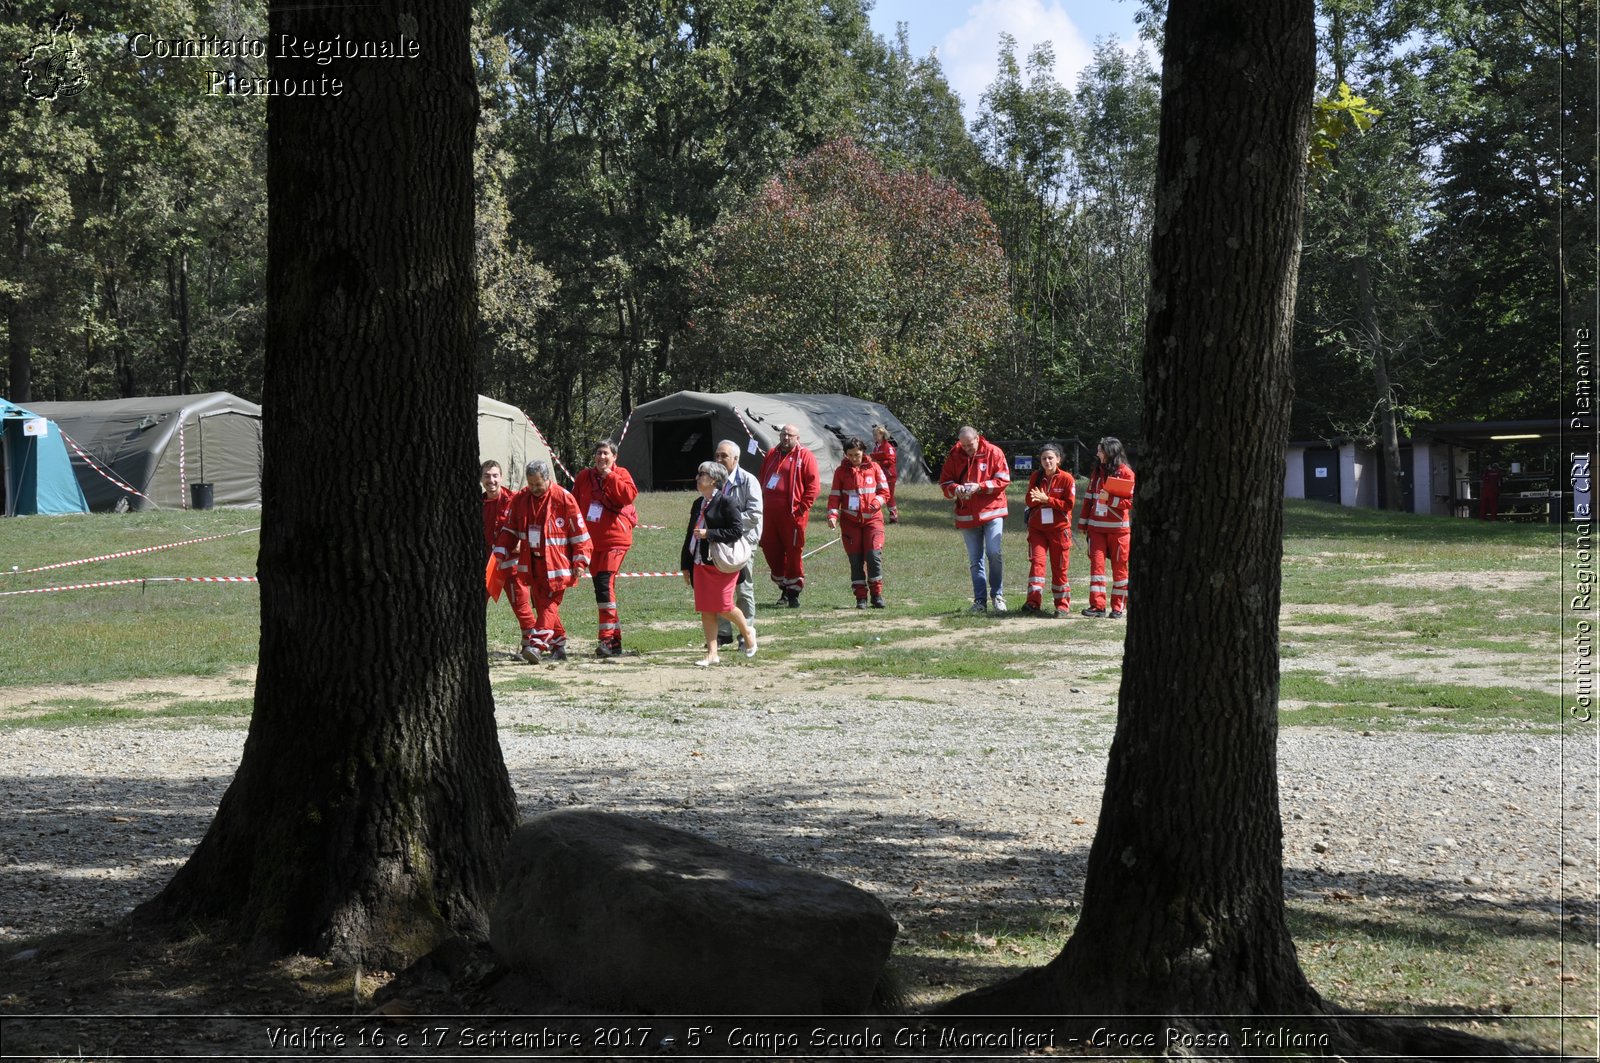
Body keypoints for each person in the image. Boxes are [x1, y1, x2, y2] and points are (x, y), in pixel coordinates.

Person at [493, 460, 591, 662]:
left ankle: (536, 645)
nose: (535, 489)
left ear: (548, 479)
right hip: (532, 563)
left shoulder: (564, 498)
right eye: (531, 484)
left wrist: (580, 562)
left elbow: (580, 534)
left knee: (549, 604)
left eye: (539, 484)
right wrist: (500, 552)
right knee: (541, 603)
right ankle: (559, 645)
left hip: (558, 565)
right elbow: (510, 530)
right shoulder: (520, 499)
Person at [681, 461, 757, 666]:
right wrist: (685, 565)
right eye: (698, 474)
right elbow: (690, 535)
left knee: (724, 606)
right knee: (706, 608)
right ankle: (712, 654)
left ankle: (747, 631)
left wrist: (710, 534)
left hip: (723, 563)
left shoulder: (727, 502)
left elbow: (736, 531)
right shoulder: (698, 503)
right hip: (700, 562)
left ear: (713, 479)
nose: (697, 478)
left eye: (702, 474)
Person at [572, 439, 639, 658]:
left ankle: (607, 640)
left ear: (614, 457)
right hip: (592, 542)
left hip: (616, 540)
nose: (601, 457)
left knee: (604, 585)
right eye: (598, 453)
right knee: (602, 588)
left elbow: (628, 496)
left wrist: (610, 476)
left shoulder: (621, 474)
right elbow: (573, 504)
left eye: (606, 454)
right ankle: (615, 642)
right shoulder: (584, 477)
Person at [939, 426, 1010, 613]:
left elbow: (1003, 480)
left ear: (978, 438)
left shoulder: (994, 452)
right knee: (974, 559)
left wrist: (980, 486)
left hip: (993, 511)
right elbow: (945, 483)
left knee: (994, 553)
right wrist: (957, 489)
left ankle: (998, 596)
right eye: (963, 445)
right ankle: (980, 601)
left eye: (970, 445)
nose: (967, 449)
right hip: (967, 515)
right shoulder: (955, 455)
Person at [758, 423, 820, 608]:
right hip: (768, 514)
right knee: (770, 549)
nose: (786, 438)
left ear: (797, 438)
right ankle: (783, 586)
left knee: (793, 553)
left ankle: (792, 593)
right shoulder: (771, 454)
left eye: (790, 435)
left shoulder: (805, 456)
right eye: (783, 434)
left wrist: (801, 509)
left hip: (793, 515)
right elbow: (762, 478)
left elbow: (813, 486)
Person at [826, 436, 888, 608]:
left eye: (857, 454)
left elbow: (885, 492)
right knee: (856, 560)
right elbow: (834, 496)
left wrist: (876, 503)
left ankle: (877, 595)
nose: (854, 458)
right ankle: (861, 598)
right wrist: (832, 516)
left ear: (863, 453)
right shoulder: (840, 472)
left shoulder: (874, 468)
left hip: (873, 521)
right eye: (850, 455)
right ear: (846, 455)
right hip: (850, 523)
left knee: (873, 556)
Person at [713, 439, 763, 649]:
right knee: (720, 589)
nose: (719, 460)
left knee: (743, 589)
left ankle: (746, 633)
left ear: (736, 458)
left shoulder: (748, 481)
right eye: (717, 455)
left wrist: (727, 522)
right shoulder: (714, 481)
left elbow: (754, 515)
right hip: (720, 543)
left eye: (723, 456)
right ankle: (723, 633)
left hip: (743, 542)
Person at [1078, 437, 1134, 619]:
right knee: (1097, 568)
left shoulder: (1126, 473)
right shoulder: (1096, 472)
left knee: (1120, 569)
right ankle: (1097, 606)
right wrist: (1083, 523)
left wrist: (1110, 500)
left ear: (1110, 452)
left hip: (1119, 531)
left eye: (1100, 450)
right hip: (1096, 529)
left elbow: (1130, 503)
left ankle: (1118, 607)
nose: (1097, 454)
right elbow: (1088, 499)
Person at [1021, 443, 1075, 617]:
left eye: (1051, 458)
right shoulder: (1036, 476)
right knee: (1037, 564)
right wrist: (1039, 500)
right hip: (1037, 529)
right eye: (1044, 458)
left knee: (1059, 568)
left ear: (1058, 459)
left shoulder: (1067, 478)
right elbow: (1029, 501)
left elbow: (1068, 505)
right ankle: (1032, 602)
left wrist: (1047, 499)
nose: (1047, 461)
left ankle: (1062, 606)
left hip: (1059, 530)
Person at [481, 460, 531, 632]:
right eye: (487, 476)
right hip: (488, 564)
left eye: (495, 475)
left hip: (512, 564)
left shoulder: (514, 500)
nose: (491, 480)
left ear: (501, 478)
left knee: (521, 606)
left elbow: (527, 524)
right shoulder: (478, 503)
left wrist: (519, 541)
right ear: (481, 479)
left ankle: (530, 642)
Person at [870, 423, 900, 523]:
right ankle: (875, 515)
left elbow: (892, 461)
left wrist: (880, 462)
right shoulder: (876, 447)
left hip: (889, 475)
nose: (874, 437)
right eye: (874, 435)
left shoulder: (888, 447)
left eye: (876, 435)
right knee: (877, 495)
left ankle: (893, 516)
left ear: (882, 435)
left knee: (889, 496)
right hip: (879, 476)